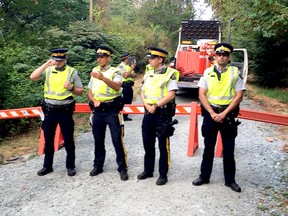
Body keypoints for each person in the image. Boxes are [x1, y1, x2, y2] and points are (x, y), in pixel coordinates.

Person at [192, 43, 245, 192]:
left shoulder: (235, 72)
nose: (221, 57)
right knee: (208, 148)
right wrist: (212, 113)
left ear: (228, 57)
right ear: (215, 56)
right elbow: (201, 94)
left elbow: (239, 96)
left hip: (227, 116)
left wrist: (224, 113)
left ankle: (230, 180)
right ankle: (204, 176)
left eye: (224, 55)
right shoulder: (207, 72)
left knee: (229, 149)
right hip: (211, 114)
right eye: (219, 54)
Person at [30, 48, 84, 177]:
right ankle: (47, 166)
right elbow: (33, 77)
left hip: (65, 110)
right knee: (48, 140)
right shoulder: (48, 70)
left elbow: (80, 91)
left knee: (68, 140)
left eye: (60, 60)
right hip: (49, 110)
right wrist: (46, 64)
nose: (58, 62)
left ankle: (70, 166)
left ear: (65, 59)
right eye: (55, 59)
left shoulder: (72, 72)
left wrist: (71, 88)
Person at [137, 47, 179, 186]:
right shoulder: (148, 73)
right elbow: (142, 92)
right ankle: (148, 170)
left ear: (160, 60)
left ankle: (163, 174)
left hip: (162, 113)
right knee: (148, 143)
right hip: (148, 112)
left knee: (163, 145)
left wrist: (155, 106)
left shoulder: (170, 74)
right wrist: (147, 106)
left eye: (152, 58)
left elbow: (171, 94)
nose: (149, 60)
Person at [87, 46, 128, 181]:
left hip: (111, 110)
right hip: (98, 110)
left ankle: (122, 168)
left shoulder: (115, 71)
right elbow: (89, 91)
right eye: (98, 56)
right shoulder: (95, 71)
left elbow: (117, 87)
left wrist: (103, 78)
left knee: (117, 140)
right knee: (98, 139)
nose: (99, 59)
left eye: (102, 56)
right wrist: (94, 100)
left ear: (108, 58)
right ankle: (98, 165)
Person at [117, 53, 136, 121]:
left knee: (129, 101)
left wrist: (129, 73)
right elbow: (125, 76)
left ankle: (125, 116)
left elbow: (134, 75)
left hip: (129, 86)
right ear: (126, 59)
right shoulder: (120, 66)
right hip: (123, 86)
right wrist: (131, 70)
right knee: (123, 101)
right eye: (129, 58)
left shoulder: (129, 66)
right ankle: (122, 116)